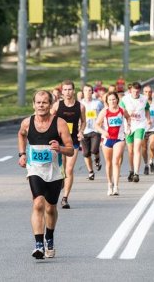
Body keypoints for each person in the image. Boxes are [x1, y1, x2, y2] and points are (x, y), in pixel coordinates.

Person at [18, 90, 73, 259]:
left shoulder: (60, 123)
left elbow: (70, 150)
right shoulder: (27, 123)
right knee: (38, 204)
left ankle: (49, 237)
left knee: (50, 208)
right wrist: (22, 154)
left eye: (44, 102)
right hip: (35, 169)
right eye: (38, 102)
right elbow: (21, 134)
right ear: (33, 104)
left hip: (54, 171)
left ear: (50, 104)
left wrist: (60, 148)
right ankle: (39, 244)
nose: (41, 105)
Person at [51, 80, 86, 209]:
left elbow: (83, 122)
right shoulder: (56, 106)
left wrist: (81, 131)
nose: (67, 92)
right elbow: (50, 120)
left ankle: (65, 198)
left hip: (73, 142)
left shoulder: (80, 106)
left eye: (69, 89)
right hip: (59, 142)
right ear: (62, 91)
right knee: (61, 170)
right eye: (65, 90)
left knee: (69, 169)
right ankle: (60, 182)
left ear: (74, 90)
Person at [94, 92, 131, 196]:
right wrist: (103, 132)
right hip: (107, 140)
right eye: (110, 100)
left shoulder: (122, 110)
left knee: (116, 161)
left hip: (119, 139)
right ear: (107, 101)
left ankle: (116, 187)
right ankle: (110, 184)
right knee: (109, 163)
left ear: (117, 100)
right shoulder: (104, 112)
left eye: (114, 99)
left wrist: (128, 126)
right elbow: (96, 125)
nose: (112, 101)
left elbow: (128, 118)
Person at [120, 82, 151, 183]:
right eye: (134, 91)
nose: (136, 93)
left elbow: (147, 109)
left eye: (137, 92)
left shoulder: (144, 99)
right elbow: (120, 111)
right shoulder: (125, 99)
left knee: (137, 148)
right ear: (130, 90)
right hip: (128, 126)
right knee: (130, 151)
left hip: (140, 125)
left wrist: (148, 119)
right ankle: (131, 170)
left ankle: (136, 173)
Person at [80, 84, 104, 180]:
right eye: (85, 90)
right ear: (83, 92)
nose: (88, 92)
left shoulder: (98, 103)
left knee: (94, 150)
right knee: (86, 153)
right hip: (84, 130)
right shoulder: (80, 104)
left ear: (92, 92)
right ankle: (90, 171)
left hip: (95, 130)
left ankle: (97, 159)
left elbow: (103, 114)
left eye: (90, 90)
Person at [141, 85, 154, 175]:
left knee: (152, 146)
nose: (148, 93)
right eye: (146, 92)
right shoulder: (140, 102)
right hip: (143, 129)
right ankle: (146, 164)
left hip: (153, 128)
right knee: (143, 149)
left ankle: (151, 161)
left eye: (150, 92)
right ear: (143, 93)